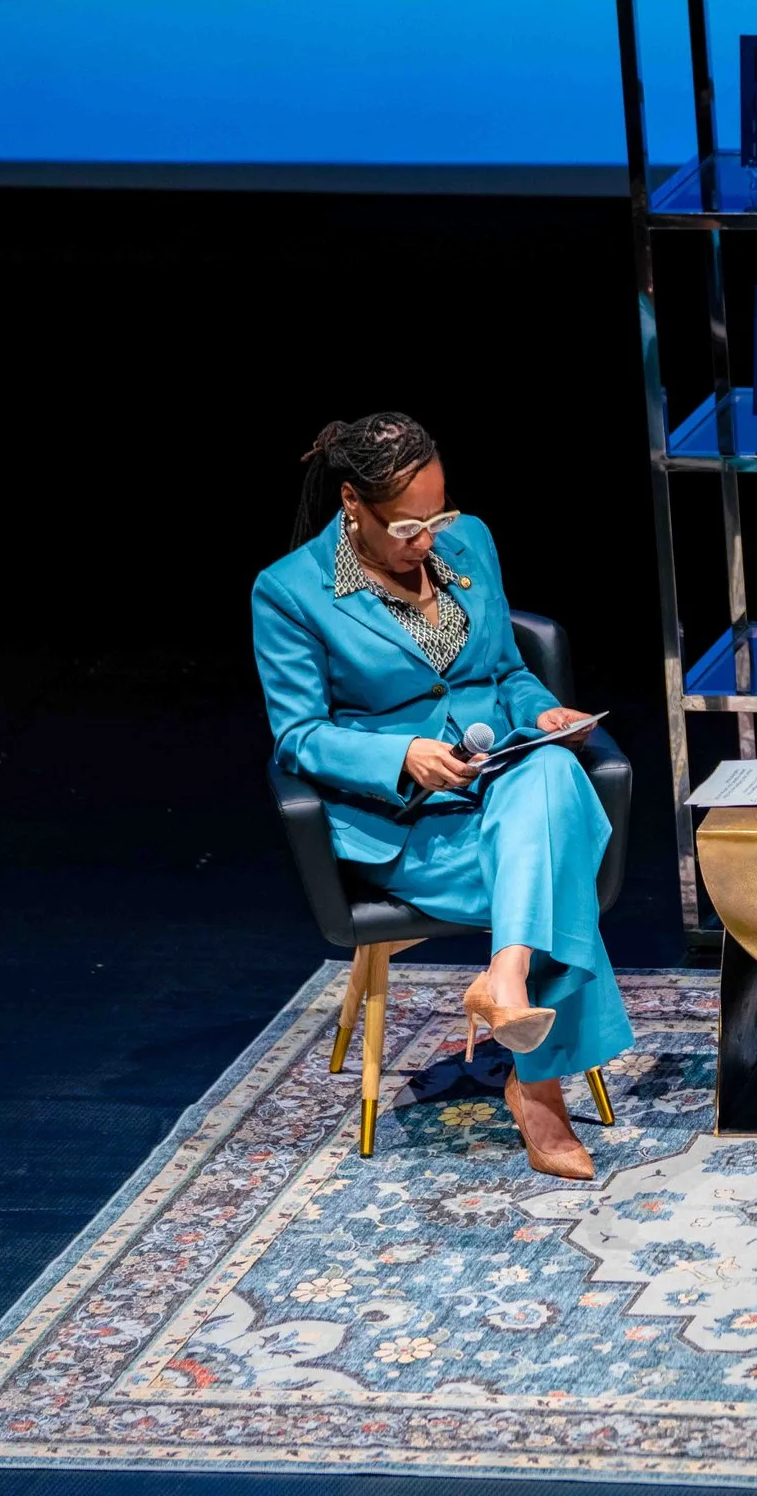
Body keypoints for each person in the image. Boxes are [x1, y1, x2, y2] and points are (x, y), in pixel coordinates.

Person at [251, 413, 628, 1180]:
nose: (428, 539)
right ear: (353, 504)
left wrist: (541, 712)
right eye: (408, 525)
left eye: (439, 515)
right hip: (411, 828)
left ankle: (508, 979)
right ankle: (539, 1085)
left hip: (507, 796)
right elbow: (299, 737)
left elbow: (506, 672)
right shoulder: (288, 592)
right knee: (554, 866)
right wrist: (402, 756)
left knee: (552, 770)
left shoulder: (472, 543)